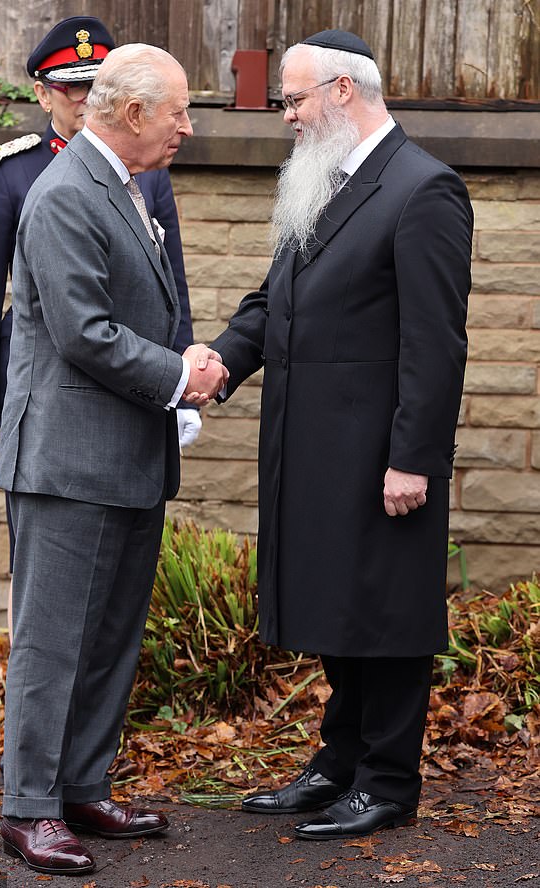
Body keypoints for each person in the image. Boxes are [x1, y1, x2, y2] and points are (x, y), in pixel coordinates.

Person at [202, 29, 473, 840]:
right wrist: (218, 360)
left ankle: (388, 779)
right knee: (338, 608)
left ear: (344, 92)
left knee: (385, 613)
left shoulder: (424, 189)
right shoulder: (322, 179)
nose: (286, 115)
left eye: (294, 98)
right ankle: (339, 761)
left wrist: (413, 459)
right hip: (313, 449)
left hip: (380, 454)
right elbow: (272, 298)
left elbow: (437, 342)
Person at [0, 44, 227, 876]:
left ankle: (79, 787)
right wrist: (180, 375)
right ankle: (29, 808)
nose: (188, 129)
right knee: (55, 644)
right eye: (177, 114)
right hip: (67, 463)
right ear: (131, 115)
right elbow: (84, 333)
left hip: (123, 456)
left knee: (108, 640)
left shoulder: (124, 185)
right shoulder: (65, 194)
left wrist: (185, 365)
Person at [0, 17, 201, 625]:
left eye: (97, 82)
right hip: (45, 393)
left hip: (131, 396)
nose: (85, 95)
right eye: (72, 86)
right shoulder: (17, 170)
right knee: (50, 609)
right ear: (43, 94)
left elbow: (169, 283)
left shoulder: (147, 172)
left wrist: (182, 382)